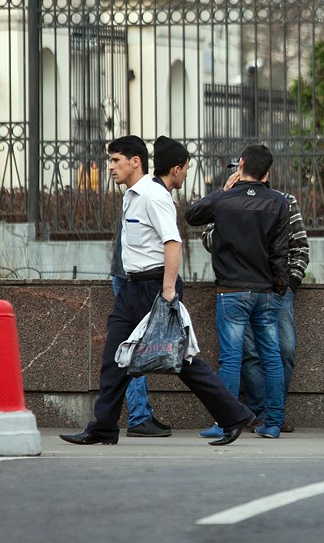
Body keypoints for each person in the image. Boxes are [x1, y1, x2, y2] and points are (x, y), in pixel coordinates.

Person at [60, 135, 255, 446]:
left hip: (155, 288)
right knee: (113, 358)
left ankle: (234, 416)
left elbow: (172, 242)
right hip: (132, 287)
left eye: (115, 161)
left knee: (181, 359)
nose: (110, 167)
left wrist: (167, 293)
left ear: (135, 162)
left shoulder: (153, 196)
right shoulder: (131, 196)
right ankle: (104, 427)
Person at [185, 143, 293, 439]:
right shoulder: (278, 202)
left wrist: (223, 191)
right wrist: (279, 284)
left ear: (241, 164)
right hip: (266, 291)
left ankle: (225, 421)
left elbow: (192, 214)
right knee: (271, 356)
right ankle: (273, 423)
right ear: (267, 173)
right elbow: (280, 251)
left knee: (231, 358)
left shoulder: (224, 200)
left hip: (231, 290)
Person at [200, 167, 310, 436]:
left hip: (273, 290)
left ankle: (272, 415)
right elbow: (208, 239)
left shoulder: (284, 200)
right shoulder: (227, 202)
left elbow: (300, 247)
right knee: (248, 356)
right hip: (240, 286)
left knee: (283, 350)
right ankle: (260, 415)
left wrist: (288, 284)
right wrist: (229, 211)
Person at [109, 135, 192, 438]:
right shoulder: (151, 194)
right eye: (185, 168)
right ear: (176, 168)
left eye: (115, 160)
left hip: (136, 279)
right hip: (137, 281)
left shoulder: (144, 193)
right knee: (136, 351)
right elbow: (171, 243)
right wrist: (167, 288)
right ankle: (138, 416)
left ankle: (129, 417)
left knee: (134, 351)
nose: (186, 174)